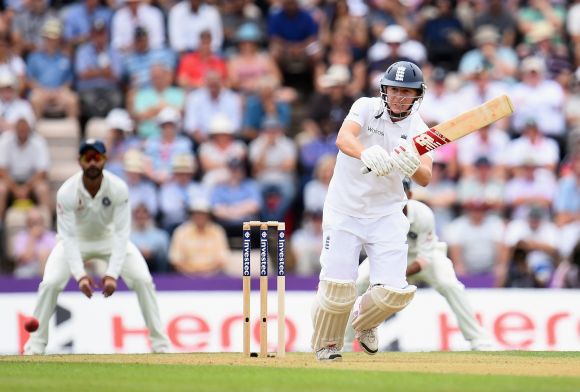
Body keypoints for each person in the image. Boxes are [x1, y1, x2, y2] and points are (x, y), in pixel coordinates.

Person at [311, 61, 433, 361]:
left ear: (417, 95)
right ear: (384, 89)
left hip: (388, 213)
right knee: (338, 288)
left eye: (407, 92)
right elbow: (343, 138)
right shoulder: (365, 107)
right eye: (394, 90)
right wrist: (365, 151)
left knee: (395, 292)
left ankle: (366, 323)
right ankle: (327, 346)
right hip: (345, 209)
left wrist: (412, 165)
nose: (399, 97)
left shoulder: (420, 128)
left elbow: (426, 177)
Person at [24, 139, 169, 355]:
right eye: (87, 158)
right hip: (75, 241)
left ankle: (160, 346)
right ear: (79, 161)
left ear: (104, 160)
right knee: (51, 283)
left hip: (109, 239)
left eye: (97, 158)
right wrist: (81, 276)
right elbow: (69, 237)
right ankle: (34, 347)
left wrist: (112, 274)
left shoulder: (118, 188)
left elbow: (121, 234)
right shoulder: (67, 192)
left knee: (142, 279)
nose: (92, 163)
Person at [345, 178, 494, 352]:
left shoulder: (423, 214)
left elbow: (424, 259)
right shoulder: (378, 215)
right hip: (389, 258)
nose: (396, 197)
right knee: (359, 282)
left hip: (424, 256)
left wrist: (398, 275)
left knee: (450, 285)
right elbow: (374, 249)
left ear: (409, 194)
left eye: (401, 192)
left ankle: (479, 340)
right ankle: (345, 342)